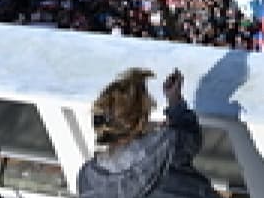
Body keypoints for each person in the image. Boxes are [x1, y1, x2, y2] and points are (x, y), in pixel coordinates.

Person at [77, 68, 218, 198]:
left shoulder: (87, 178)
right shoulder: (169, 145)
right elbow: (191, 135)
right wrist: (175, 102)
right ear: (141, 120)